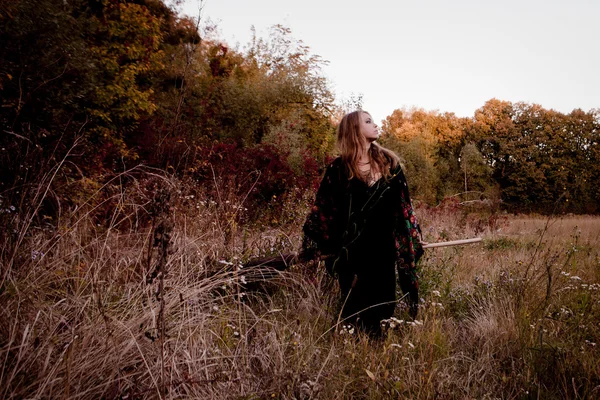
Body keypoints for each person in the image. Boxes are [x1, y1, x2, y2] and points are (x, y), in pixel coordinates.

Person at [301, 110, 424, 335]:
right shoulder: (338, 169)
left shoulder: (390, 165)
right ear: (354, 130)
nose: (375, 125)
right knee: (354, 313)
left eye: (374, 120)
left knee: (383, 308)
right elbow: (324, 210)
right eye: (368, 122)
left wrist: (411, 238)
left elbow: (404, 207)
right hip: (352, 253)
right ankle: (354, 355)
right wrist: (320, 246)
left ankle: (379, 354)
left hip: (383, 249)